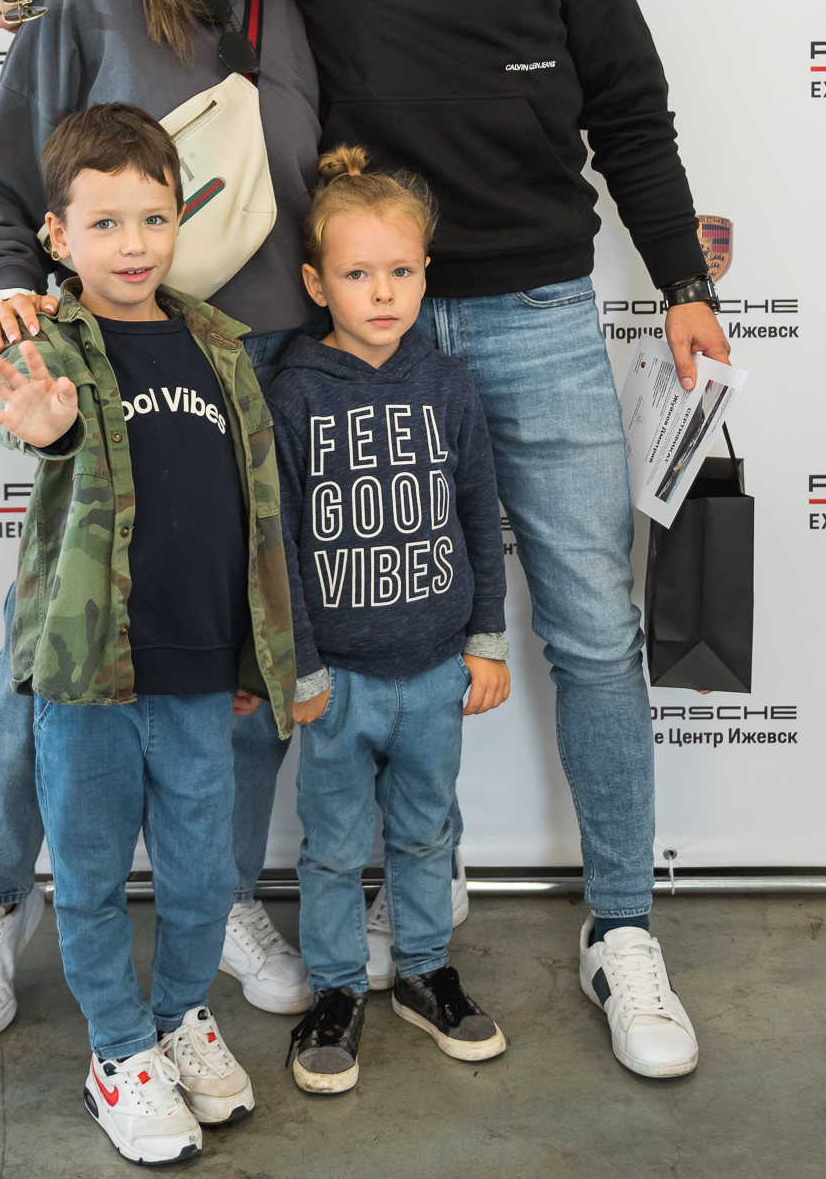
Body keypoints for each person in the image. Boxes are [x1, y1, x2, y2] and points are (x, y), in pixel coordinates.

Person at [0, 0, 724, 1079]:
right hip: (333, 333)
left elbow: (630, 107)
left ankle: (623, 930)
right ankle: (294, 909)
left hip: (533, 312)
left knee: (590, 629)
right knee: (283, 627)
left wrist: (682, 284)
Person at [0, 0, 464, 1047]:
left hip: (264, 372)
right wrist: (7, 290)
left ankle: (220, 893)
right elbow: (1, 182)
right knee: (48, 655)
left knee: (247, 650)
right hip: (112, 377)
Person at [0, 101, 294, 1163]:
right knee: (94, 878)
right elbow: (41, 431)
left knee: (202, 876)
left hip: (199, 674)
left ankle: (178, 1017)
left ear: (179, 219)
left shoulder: (218, 345)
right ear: (56, 236)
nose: (133, 244)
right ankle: (118, 1051)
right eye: (103, 224)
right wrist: (48, 434)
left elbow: (254, 513)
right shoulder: (51, 342)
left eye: (153, 218)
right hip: (88, 678)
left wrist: (258, 656)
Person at [275, 149, 509, 1093]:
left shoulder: (448, 384)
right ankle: (337, 989)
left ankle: (423, 971)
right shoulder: (294, 392)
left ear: (425, 274)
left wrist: (485, 641)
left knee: (424, 835)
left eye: (401, 271)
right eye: (357, 274)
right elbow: (279, 544)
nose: (382, 293)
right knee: (332, 848)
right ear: (315, 283)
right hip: (337, 681)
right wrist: (301, 667)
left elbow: (479, 515)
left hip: (436, 673)